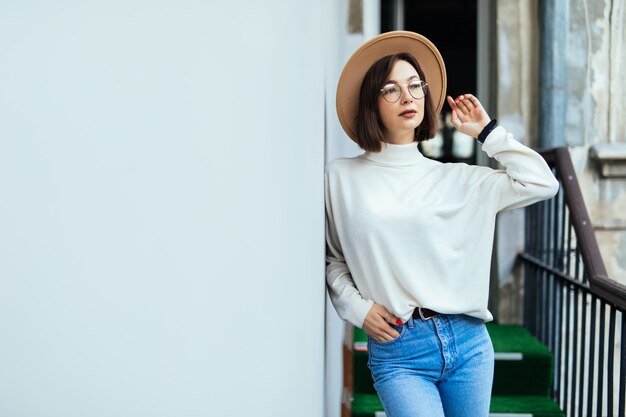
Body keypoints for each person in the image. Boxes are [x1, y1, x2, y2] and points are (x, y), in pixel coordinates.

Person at [325, 31, 559, 417]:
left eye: (415, 85)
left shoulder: (460, 179)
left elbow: (543, 182)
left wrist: (488, 133)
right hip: (399, 348)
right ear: (372, 102)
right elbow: (334, 261)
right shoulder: (341, 178)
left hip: (469, 344)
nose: (408, 97)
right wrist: (356, 308)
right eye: (391, 89)